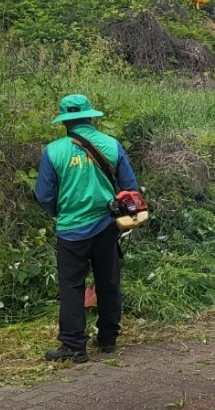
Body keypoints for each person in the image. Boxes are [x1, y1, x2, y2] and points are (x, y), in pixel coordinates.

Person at [34, 94, 140, 363]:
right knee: (108, 280)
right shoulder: (112, 145)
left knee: (72, 285)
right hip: (106, 225)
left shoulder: (53, 151)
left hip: (70, 230)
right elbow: (129, 188)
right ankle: (107, 339)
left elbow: (44, 194)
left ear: (65, 122)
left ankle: (73, 346)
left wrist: (59, 214)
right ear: (91, 117)